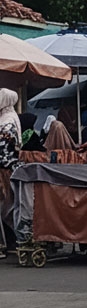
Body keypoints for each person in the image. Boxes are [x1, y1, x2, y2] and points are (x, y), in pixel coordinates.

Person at [0, 89, 21, 259]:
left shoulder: (7, 122)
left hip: (5, 169)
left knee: (6, 206)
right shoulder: (10, 118)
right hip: (8, 167)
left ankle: (12, 241)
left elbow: (3, 149)